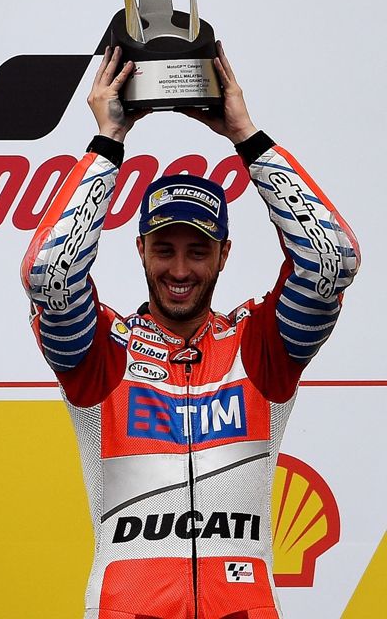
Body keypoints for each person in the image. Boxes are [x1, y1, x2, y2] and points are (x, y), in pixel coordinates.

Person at [21, 43, 359, 619]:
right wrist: (108, 142)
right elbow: (48, 275)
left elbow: (332, 261)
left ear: (225, 254)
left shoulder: (260, 348)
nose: (179, 270)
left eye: (198, 251)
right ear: (140, 250)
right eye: (165, 249)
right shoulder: (102, 355)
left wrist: (246, 136)